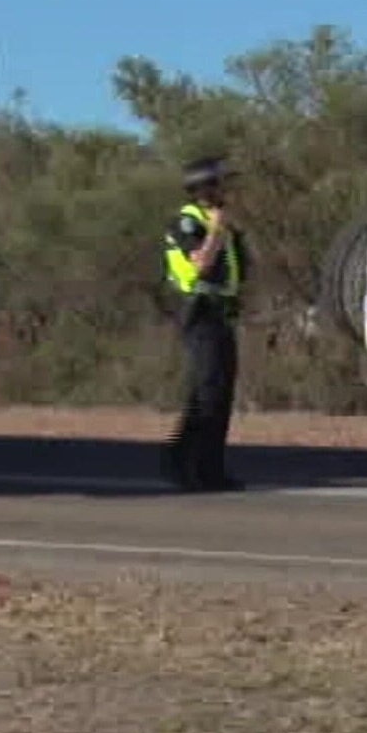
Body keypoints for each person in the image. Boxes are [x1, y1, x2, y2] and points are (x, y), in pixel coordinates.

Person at [160, 156, 249, 492]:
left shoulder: (221, 224)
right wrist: (215, 228)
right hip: (199, 313)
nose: (228, 189)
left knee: (221, 394)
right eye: (222, 183)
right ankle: (180, 461)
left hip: (221, 313)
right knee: (206, 392)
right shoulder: (187, 222)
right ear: (204, 188)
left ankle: (212, 470)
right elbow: (199, 264)